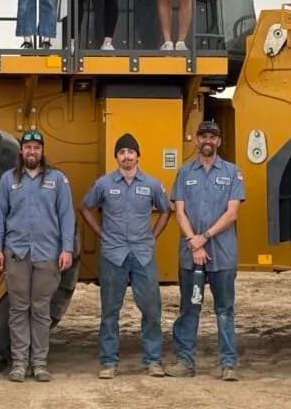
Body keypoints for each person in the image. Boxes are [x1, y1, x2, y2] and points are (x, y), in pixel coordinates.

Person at [79, 133, 171, 379]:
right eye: (122, 152)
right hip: (113, 254)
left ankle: (153, 361)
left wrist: (152, 237)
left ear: (138, 156)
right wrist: (100, 232)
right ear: (116, 157)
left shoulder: (151, 184)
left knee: (151, 310)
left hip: (143, 254)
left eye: (131, 152)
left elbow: (166, 210)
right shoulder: (104, 184)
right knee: (110, 311)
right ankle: (109, 362)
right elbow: (85, 207)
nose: (127, 156)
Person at [0, 129, 75, 382]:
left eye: (37, 147)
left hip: (47, 254)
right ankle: (18, 364)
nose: (32, 152)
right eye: (28, 148)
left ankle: (39, 363)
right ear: (21, 152)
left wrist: (67, 249)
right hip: (16, 253)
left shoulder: (57, 180)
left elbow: (66, 217)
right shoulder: (8, 180)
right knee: (18, 309)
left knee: (40, 310)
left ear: (42, 151)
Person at [167, 120, 245, 381]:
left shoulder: (233, 172)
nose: (207, 140)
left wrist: (205, 237)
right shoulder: (184, 173)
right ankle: (185, 363)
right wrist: (194, 241)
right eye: (203, 136)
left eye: (212, 136)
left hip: (222, 254)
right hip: (191, 256)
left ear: (219, 141)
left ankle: (228, 364)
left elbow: (232, 213)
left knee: (224, 309)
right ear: (197, 140)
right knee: (190, 309)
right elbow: (179, 212)